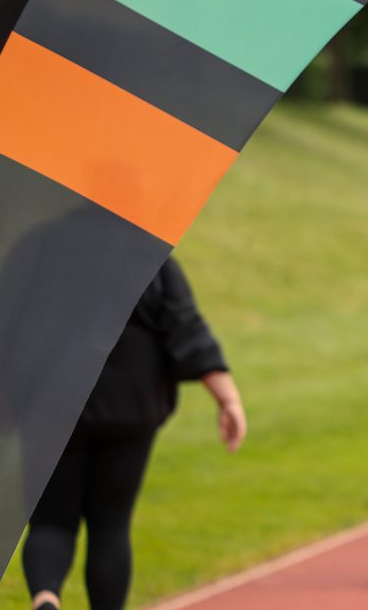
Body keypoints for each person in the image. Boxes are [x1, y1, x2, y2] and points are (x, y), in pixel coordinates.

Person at [23, 256, 245, 610]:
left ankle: (46, 597)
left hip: (53, 403)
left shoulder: (43, 248)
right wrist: (228, 397)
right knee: (111, 525)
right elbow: (186, 329)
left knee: (50, 521)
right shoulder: (149, 257)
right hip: (129, 408)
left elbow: (9, 323)